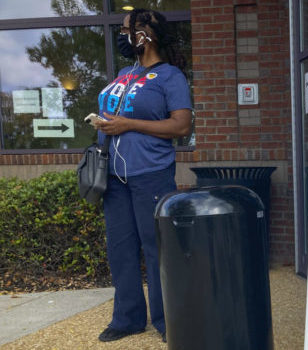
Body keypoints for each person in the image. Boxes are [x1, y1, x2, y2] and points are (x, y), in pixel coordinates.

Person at [93, 8, 192, 343]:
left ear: (145, 35)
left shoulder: (170, 77)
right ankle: (128, 319)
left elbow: (181, 125)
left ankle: (169, 320)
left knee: (157, 249)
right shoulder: (125, 72)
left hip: (150, 174)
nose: (121, 36)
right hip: (115, 177)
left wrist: (129, 124)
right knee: (120, 249)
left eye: (126, 30)